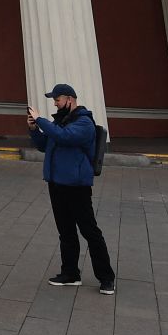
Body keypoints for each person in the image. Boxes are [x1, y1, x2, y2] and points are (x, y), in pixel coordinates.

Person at [28, 83, 115, 294]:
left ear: (69, 99)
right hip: (56, 183)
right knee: (65, 231)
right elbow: (44, 144)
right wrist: (34, 129)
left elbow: (65, 137)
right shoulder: (61, 121)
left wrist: (40, 119)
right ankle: (70, 274)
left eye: (57, 100)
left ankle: (106, 278)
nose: (55, 104)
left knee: (89, 231)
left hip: (76, 186)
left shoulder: (84, 122)